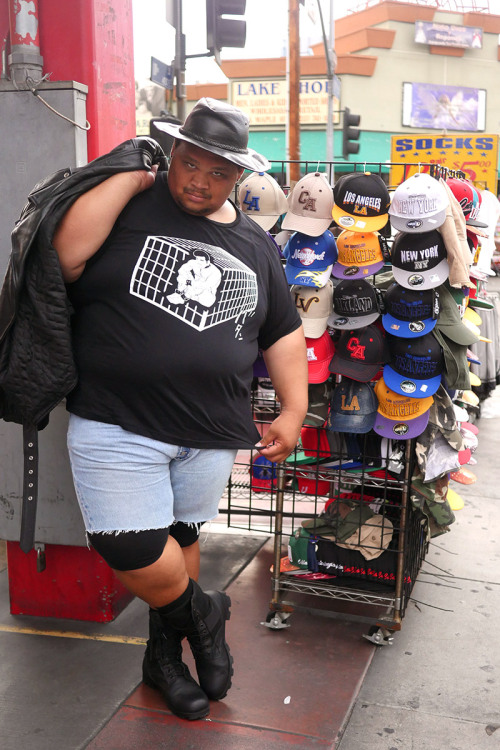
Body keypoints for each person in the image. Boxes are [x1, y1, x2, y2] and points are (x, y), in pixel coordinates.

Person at [52, 97, 308, 721]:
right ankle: (206, 613)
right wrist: (129, 174)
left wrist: (294, 409)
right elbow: (65, 254)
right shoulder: (131, 207)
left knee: (182, 537)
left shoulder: (252, 242)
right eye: (189, 164)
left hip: (208, 427)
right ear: (173, 154)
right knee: (130, 545)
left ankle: (163, 661)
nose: (200, 180)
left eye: (218, 172)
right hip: (117, 419)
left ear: (238, 177)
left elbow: (281, 331)